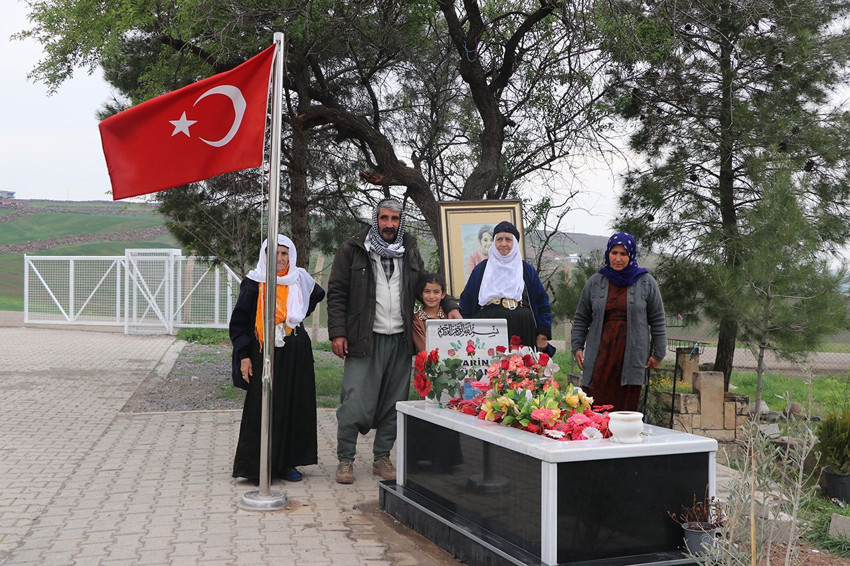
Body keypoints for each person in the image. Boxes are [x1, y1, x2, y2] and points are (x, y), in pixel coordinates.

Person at [327, 199, 460, 484]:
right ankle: (345, 459)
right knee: (354, 401)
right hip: (365, 339)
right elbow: (337, 292)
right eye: (384, 218)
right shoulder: (353, 249)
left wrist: (449, 303)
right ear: (376, 220)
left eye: (395, 219)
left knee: (394, 401)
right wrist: (338, 332)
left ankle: (381, 458)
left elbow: (427, 283)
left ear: (401, 221)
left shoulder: (408, 250)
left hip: (400, 340)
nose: (389, 224)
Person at [229, 235, 325, 484]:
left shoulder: (299, 278)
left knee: (293, 404)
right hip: (264, 351)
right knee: (264, 405)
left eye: (284, 253)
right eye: (275, 254)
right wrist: (244, 356)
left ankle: (287, 463)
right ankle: (257, 465)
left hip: (295, 350)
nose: (280, 259)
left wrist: (297, 314)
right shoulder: (253, 282)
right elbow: (239, 323)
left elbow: (317, 294)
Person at [570, 232, 667, 412]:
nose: (618, 258)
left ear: (631, 256)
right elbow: (581, 317)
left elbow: (658, 320)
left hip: (631, 357)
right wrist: (577, 346)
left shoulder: (646, 282)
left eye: (623, 254)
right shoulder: (595, 282)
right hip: (601, 354)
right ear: (608, 254)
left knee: (625, 411)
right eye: (614, 253)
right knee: (594, 407)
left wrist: (658, 353)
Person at [459, 220, 553, 353]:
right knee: (490, 371)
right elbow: (466, 302)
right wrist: (467, 332)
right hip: (486, 327)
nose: (503, 244)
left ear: (514, 243)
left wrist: (543, 334)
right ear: (494, 242)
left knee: (521, 370)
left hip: (522, 327)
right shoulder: (481, 270)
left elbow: (542, 303)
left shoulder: (526, 270)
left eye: (508, 239)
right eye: (499, 239)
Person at [412, 272, 450, 353]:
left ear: (443, 294)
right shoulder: (417, 320)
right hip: (429, 363)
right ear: (421, 294)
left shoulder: (448, 316)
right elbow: (423, 348)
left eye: (436, 292)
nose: (431, 296)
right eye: (427, 291)